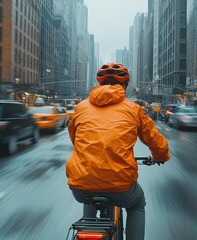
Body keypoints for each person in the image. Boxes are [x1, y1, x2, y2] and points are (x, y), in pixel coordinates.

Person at [66, 63, 171, 240]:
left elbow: (74, 138)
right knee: (138, 203)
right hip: (121, 186)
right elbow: (157, 143)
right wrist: (161, 156)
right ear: (125, 86)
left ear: (100, 84)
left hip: (80, 185)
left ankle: (88, 226)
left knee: (88, 191)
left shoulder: (81, 108)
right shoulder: (134, 110)